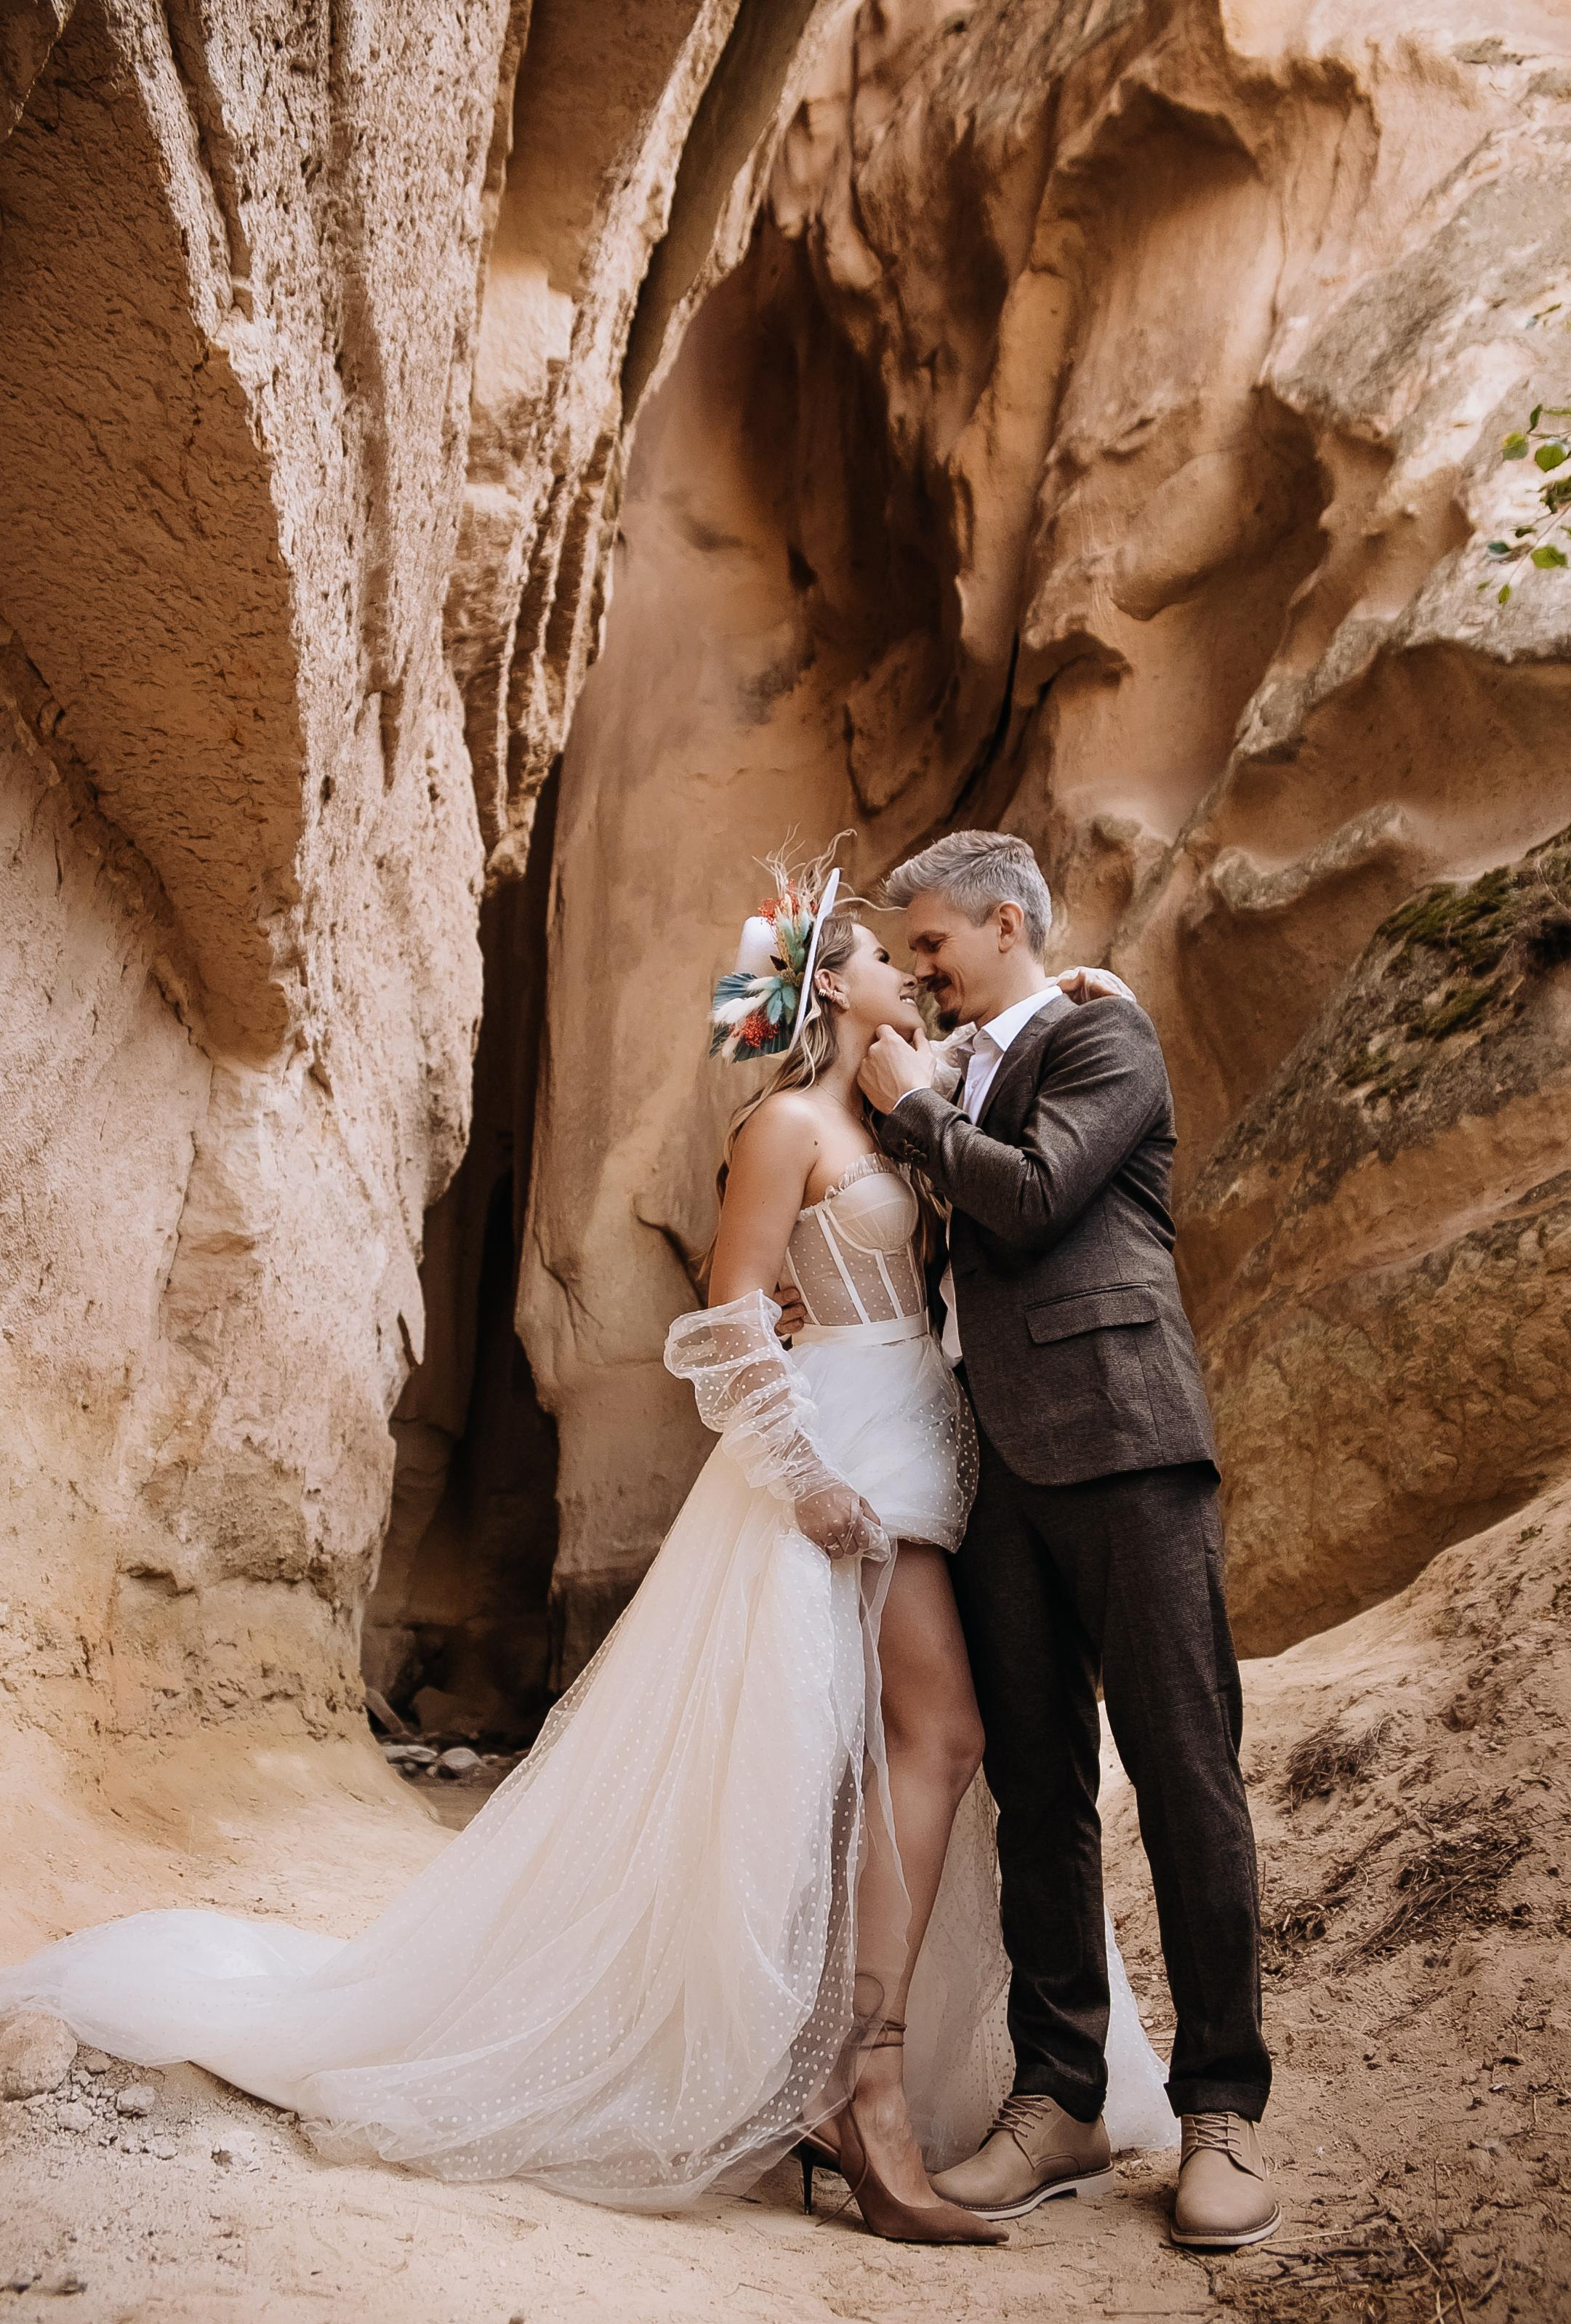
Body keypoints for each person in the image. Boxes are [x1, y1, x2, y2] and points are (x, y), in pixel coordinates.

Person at [0, 849, 1177, 2243]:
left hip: (932, 1445)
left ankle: (843, 2076)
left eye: (914, 950)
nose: (907, 968)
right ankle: (854, 2091)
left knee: (905, 1754)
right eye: (877, 955)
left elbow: (1010, 1067)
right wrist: (801, 1477)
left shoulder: (907, 1100)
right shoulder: (789, 1126)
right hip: (846, 1464)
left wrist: (1084, 982)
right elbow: (731, 1315)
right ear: (830, 990)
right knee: (913, 1745)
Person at [856, 829, 1277, 2251]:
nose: (921, 970)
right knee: (1035, 1784)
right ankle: (1060, 2099)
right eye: (909, 951)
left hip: (1124, 1438)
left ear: (1000, 922)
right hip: (990, 1472)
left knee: (1182, 1767)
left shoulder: (1107, 1038)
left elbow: (1033, 1195)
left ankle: (1221, 2108)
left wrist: (914, 1110)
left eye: (932, 944)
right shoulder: (952, 1066)